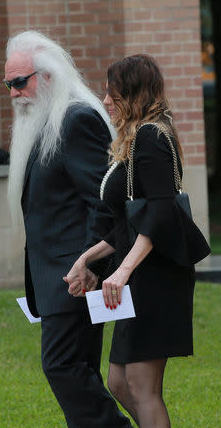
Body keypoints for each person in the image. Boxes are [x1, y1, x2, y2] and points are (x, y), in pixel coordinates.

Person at [64, 55, 211, 428]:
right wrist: (88, 258)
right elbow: (131, 225)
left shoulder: (150, 136)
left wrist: (123, 271)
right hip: (140, 274)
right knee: (119, 382)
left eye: (112, 92)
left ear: (133, 93)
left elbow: (161, 213)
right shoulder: (138, 136)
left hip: (157, 276)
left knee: (142, 387)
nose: (106, 100)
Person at [5, 30, 132, 427]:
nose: (13, 93)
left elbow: (104, 200)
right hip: (58, 275)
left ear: (48, 77)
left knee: (62, 366)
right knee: (74, 368)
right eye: (8, 84)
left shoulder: (75, 119)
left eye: (19, 82)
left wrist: (92, 263)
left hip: (76, 273)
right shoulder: (44, 122)